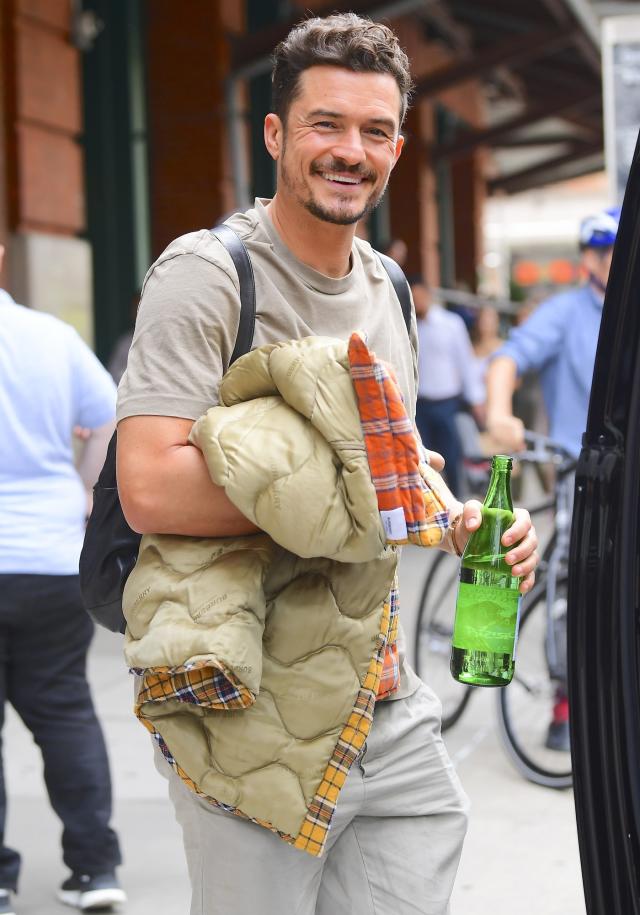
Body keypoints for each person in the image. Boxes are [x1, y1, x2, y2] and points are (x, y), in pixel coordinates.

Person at [116, 14, 538, 914]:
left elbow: (391, 462)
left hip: (386, 701)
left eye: (375, 131)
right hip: (252, 709)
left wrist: (458, 517)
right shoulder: (209, 274)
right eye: (326, 124)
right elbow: (148, 484)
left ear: (396, 146)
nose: (351, 151)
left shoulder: (389, 287)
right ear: (276, 134)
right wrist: (369, 496)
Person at [0, 245, 126, 914]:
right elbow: (112, 413)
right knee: (66, 710)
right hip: (51, 557)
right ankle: (95, 866)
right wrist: (84, 489)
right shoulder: (51, 336)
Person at [486, 206, 619, 752]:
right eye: (604, 251)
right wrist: (499, 413)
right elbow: (507, 358)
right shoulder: (567, 313)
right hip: (580, 472)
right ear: (589, 258)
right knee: (572, 582)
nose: (612, 260)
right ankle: (567, 698)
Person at [411, 277, 486, 497]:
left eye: (420, 297)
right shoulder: (409, 325)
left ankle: (458, 502)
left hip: (447, 402)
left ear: (429, 296)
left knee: (452, 458)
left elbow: (465, 362)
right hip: (421, 404)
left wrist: (476, 399)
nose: (417, 302)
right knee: (424, 461)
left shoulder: (451, 324)